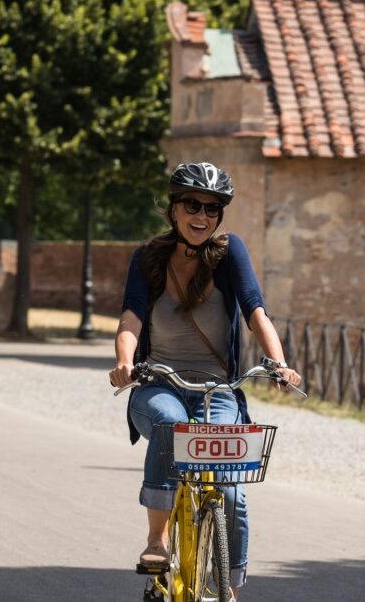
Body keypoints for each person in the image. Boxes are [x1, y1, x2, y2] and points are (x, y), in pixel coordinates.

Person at [108, 162, 301, 599]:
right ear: (174, 209)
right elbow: (131, 315)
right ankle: (157, 541)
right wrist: (124, 361)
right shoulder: (148, 258)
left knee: (231, 487)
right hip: (158, 382)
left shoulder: (229, 253)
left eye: (212, 208)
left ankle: (230, 585)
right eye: (192, 204)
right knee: (168, 424)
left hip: (219, 390)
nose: (202, 215)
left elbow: (255, 309)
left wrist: (278, 362)